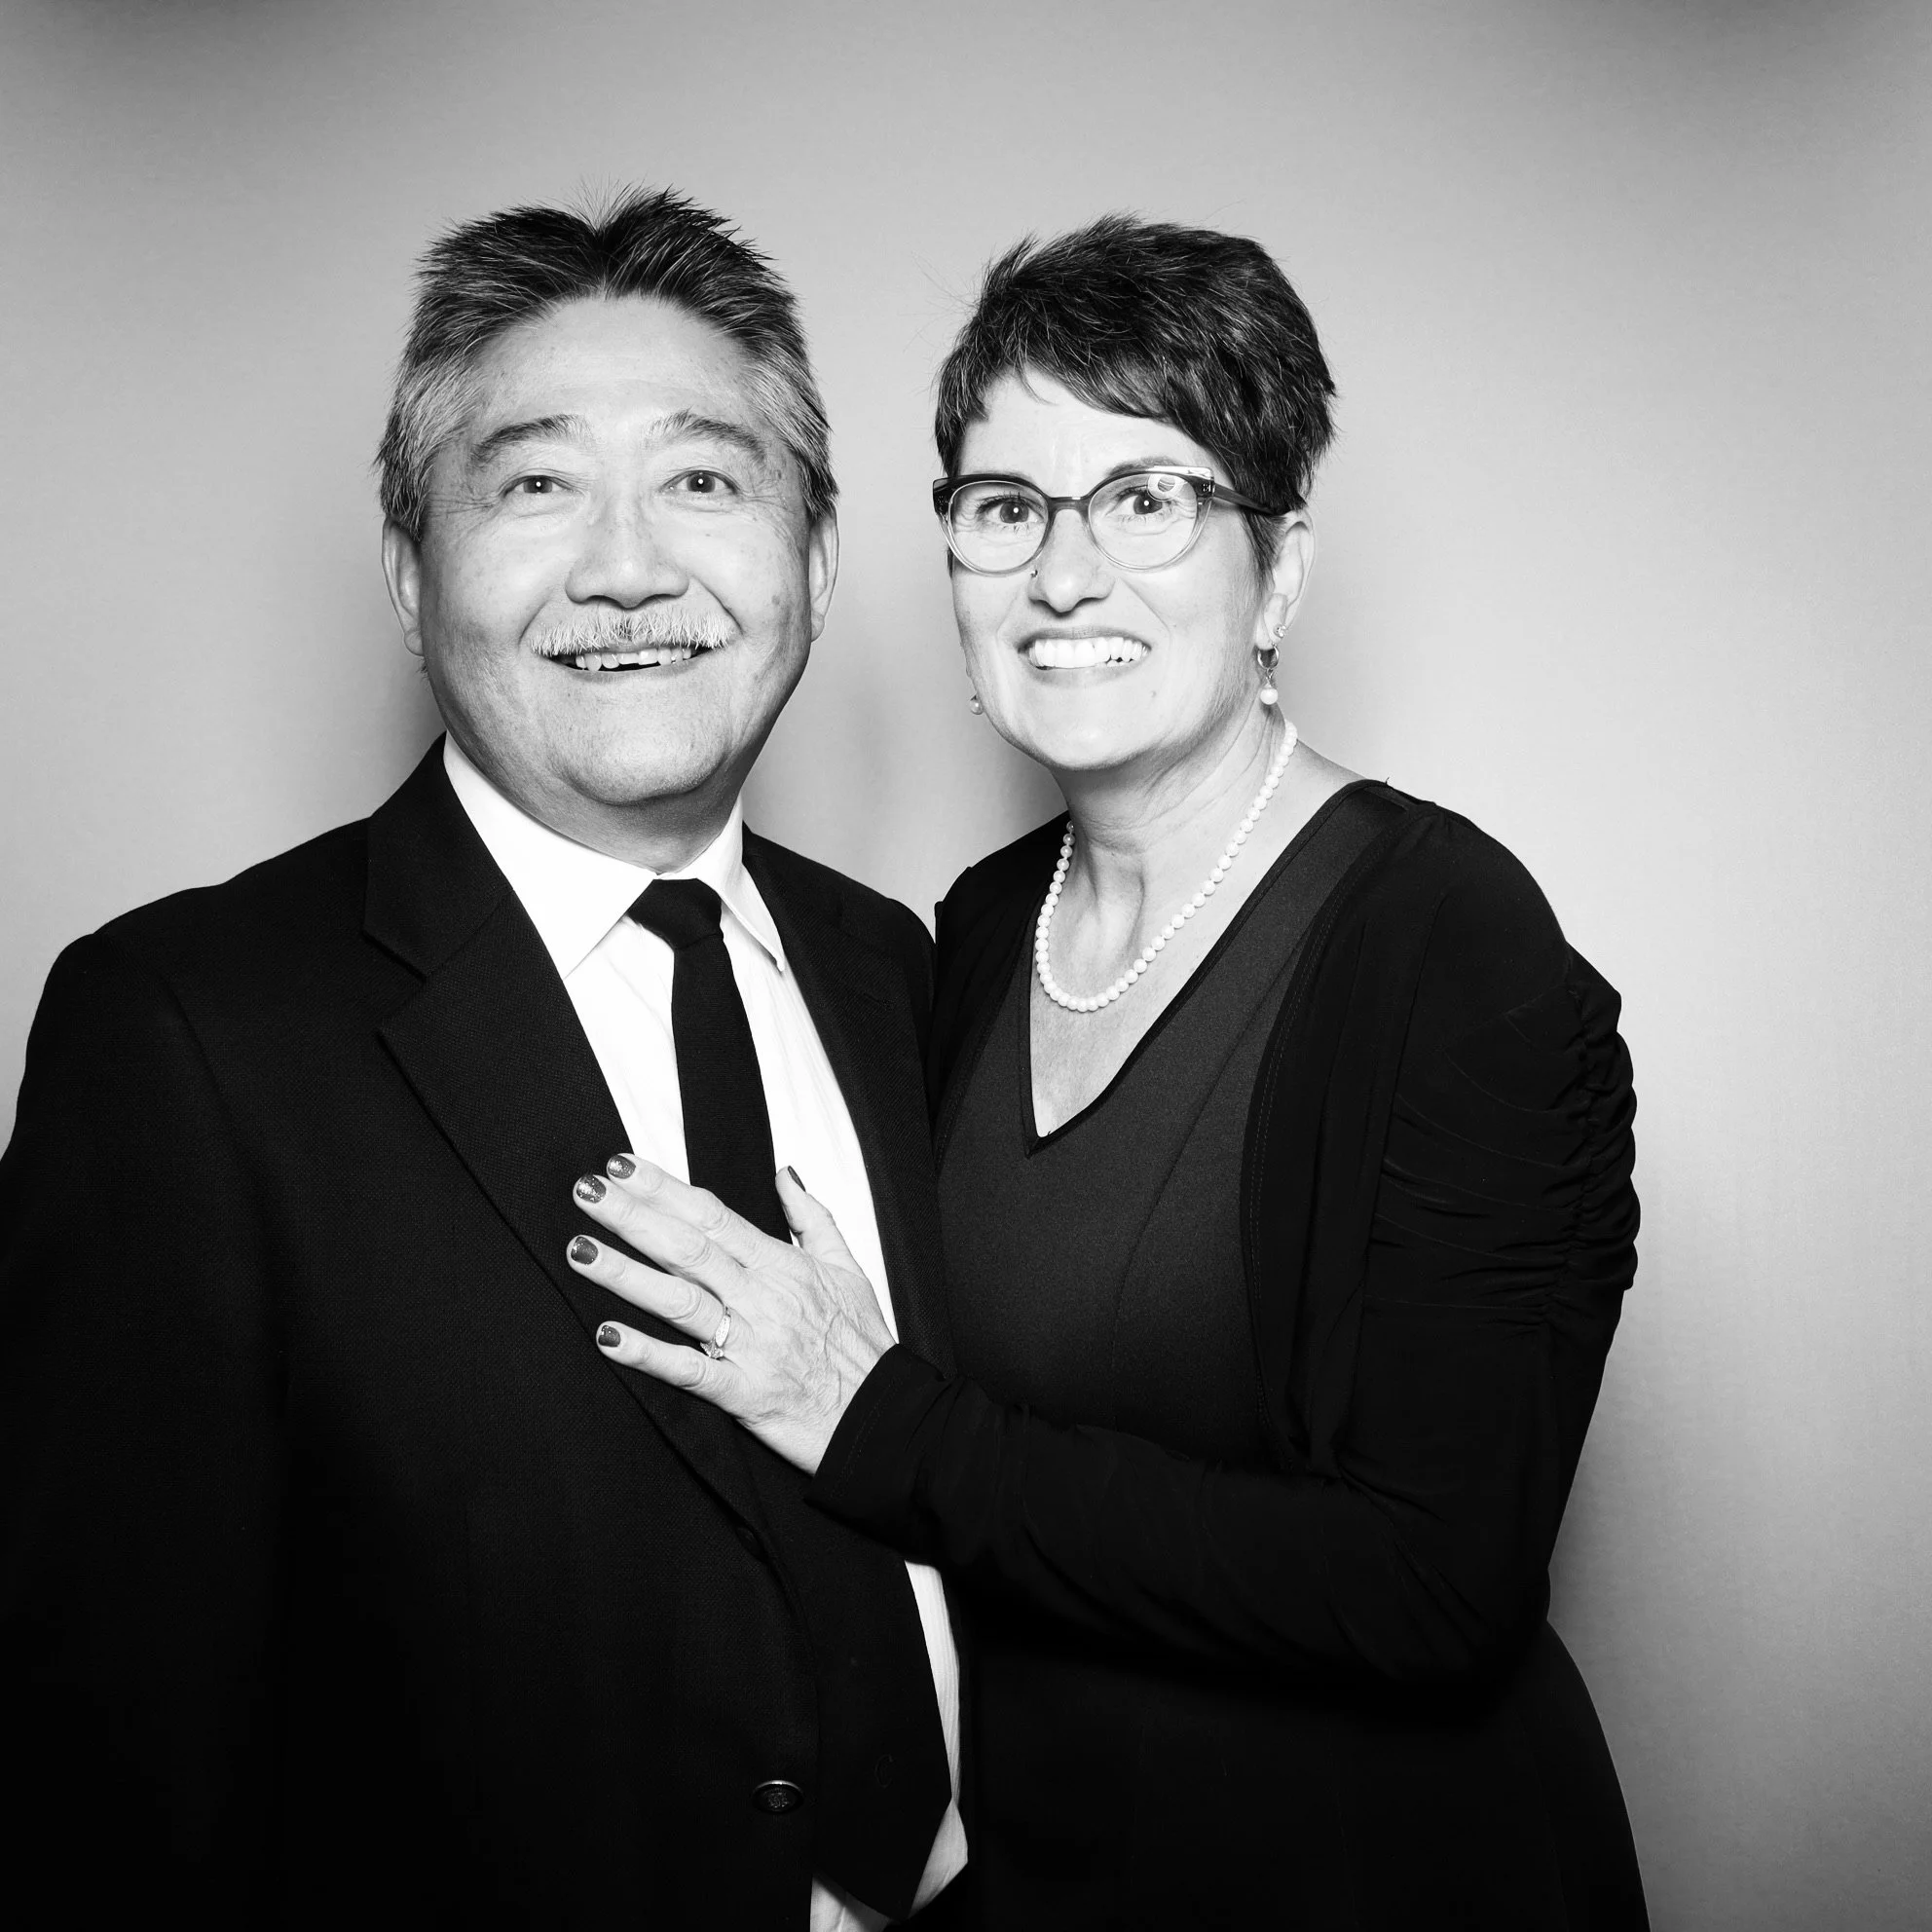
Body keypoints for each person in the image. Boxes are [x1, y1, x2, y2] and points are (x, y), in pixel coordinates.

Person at [570, 217, 1650, 1928]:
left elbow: (1432, 1586)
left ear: (1280, 567)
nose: (1063, 576)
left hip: (1378, 1876)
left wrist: (879, 1424)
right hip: (1042, 1877)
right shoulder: (970, 932)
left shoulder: (1452, 951)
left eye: (1147, 499)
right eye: (1007, 510)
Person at [0, 189, 967, 1929]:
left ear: (815, 565)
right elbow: (104, 1765)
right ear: (408, 568)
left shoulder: (898, 970)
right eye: (534, 485)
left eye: (704, 478)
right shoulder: (183, 1033)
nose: (626, 566)